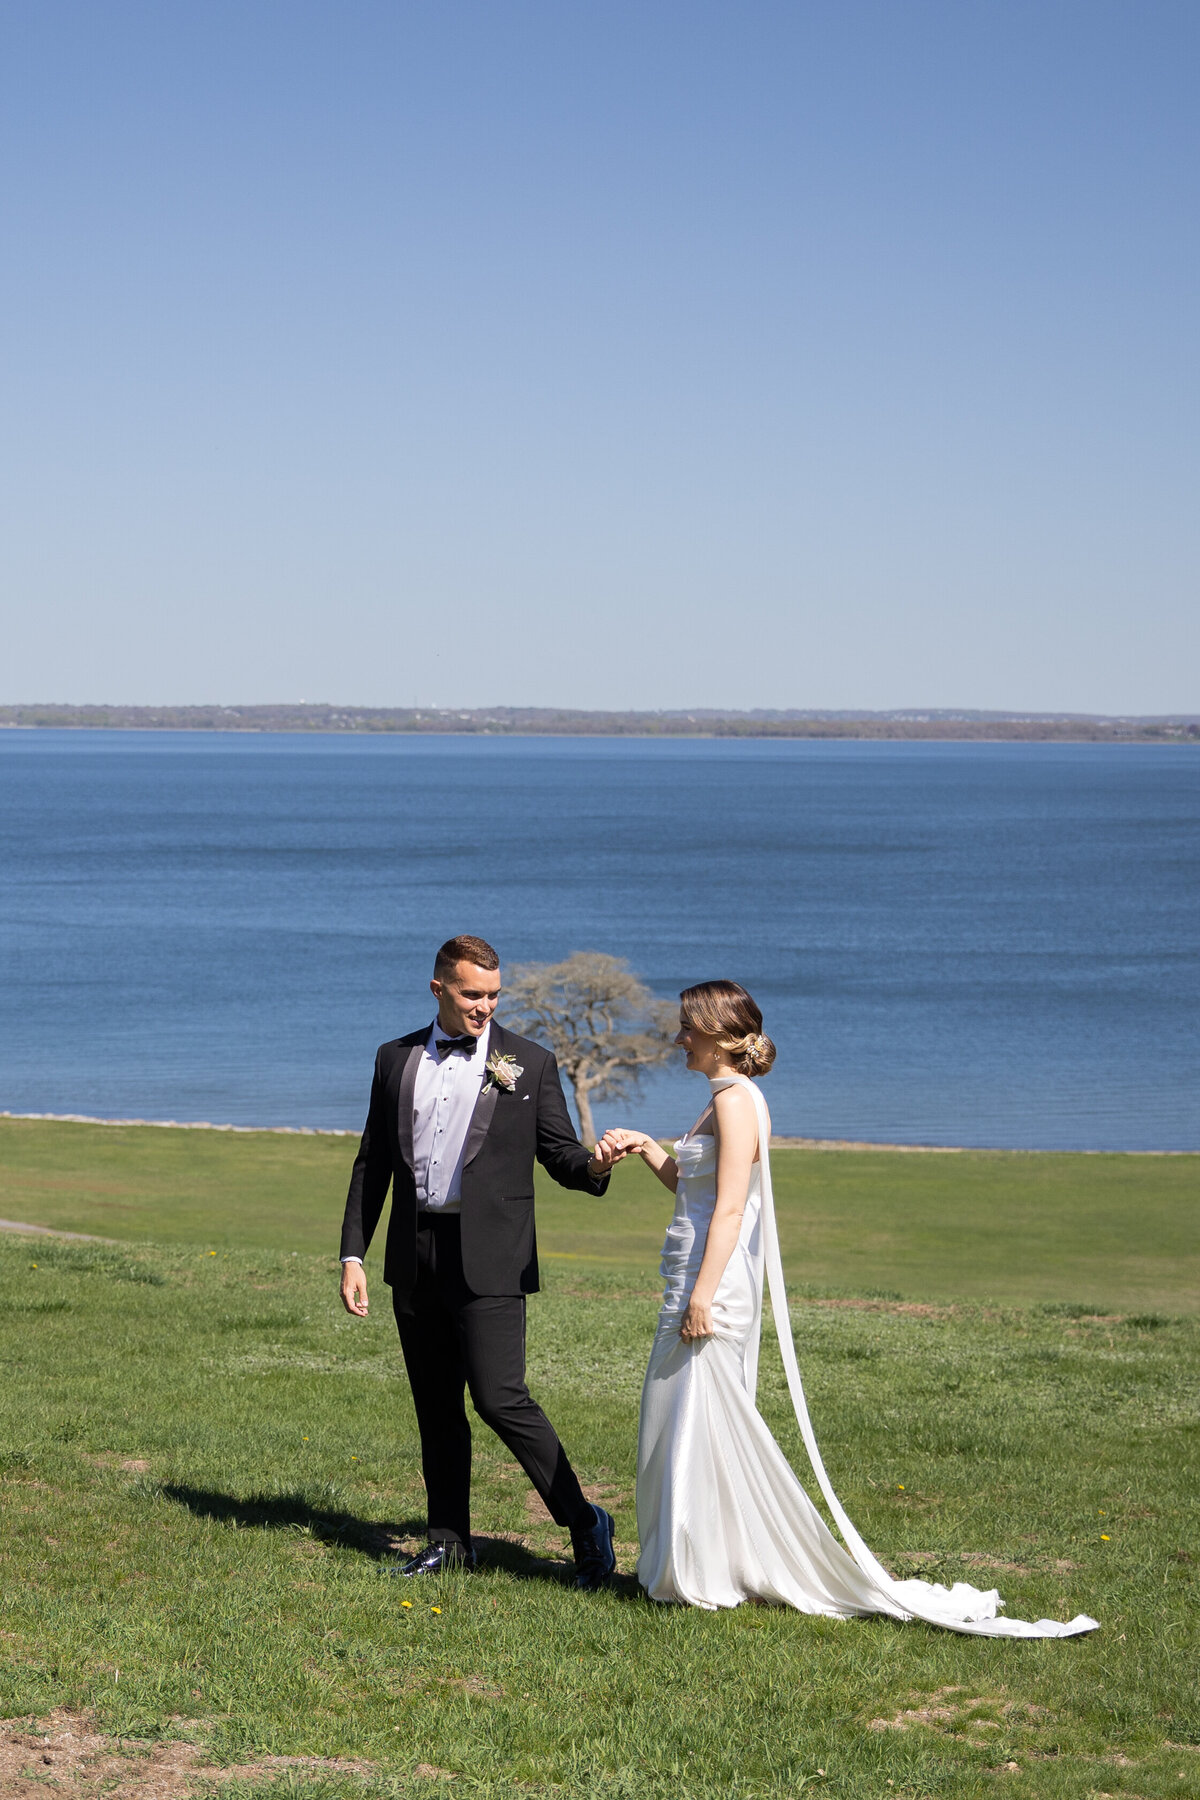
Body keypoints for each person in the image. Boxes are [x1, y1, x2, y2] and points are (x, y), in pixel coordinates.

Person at [600, 979, 1098, 1637]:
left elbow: (729, 1208)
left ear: (718, 1034)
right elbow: (692, 1189)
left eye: (686, 1029)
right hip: (690, 1276)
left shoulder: (737, 1103)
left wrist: (701, 1296)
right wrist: (647, 1148)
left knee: (696, 1420)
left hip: (708, 1286)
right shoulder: (718, 1100)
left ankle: (699, 1570)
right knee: (680, 1420)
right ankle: (694, 1563)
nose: (677, 1038)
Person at [338, 934, 619, 1586]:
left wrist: (596, 1166)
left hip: (491, 1258)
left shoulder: (530, 1062)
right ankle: (449, 1543)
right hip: (416, 1255)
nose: (485, 1006)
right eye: (472, 994)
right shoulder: (393, 1059)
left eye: (494, 995)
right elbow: (372, 1163)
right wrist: (354, 1252)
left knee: (500, 1398)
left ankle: (583, 1522)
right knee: (435, 1406)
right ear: (438, 988)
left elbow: (561, 1156)